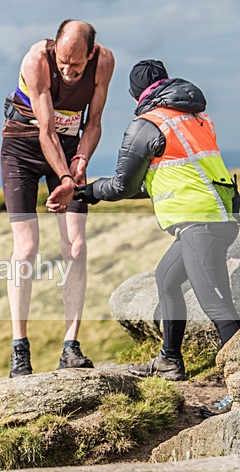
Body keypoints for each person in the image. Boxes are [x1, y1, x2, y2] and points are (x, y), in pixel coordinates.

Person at [73, 60, 239, 417]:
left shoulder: (146, 125)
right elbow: (166, 176)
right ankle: (169, 361)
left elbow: (122, 185)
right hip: (217, 216)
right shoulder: (195, 117)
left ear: (135, 93)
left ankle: (238, 394)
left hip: (200, 224)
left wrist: (90, 192)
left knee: (220, 310)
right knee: (167, 279)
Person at [1, 19, 114, 377]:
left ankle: (70, 346)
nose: (67, 71)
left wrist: (80, 161)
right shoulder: (37, 60)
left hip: (68, 150)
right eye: (62, 63)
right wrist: (65, 177)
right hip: (22, 149)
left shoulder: (104, 62)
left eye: (76, 66)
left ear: (92, 53)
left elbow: (93, 123)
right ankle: (20, 347)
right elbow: (46, 129)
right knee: (27, 247)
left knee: (76, 247)